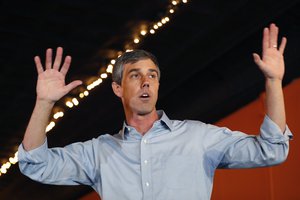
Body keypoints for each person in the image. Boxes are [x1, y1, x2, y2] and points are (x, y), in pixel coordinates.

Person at [18, 23, 293, 200]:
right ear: (117, 89)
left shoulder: (199, 137)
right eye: (135, 76)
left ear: (158, 85)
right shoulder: (99, 152)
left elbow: (271, 150)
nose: (146, 81)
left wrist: (272, 81)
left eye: (152, 75)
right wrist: (44, 102)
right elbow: (35, 164)